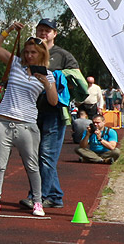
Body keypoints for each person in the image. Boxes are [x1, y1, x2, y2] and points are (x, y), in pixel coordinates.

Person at [0, 24, 58, 216]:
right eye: (26, 52)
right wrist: (9, 30)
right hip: (3, 122)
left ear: (41, 54)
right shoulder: (16, 64)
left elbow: (53, 101)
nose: (28, 56)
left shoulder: (48, 74)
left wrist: (46, 84)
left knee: (32, 166)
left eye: (33, 53)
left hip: (27, 125)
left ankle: (38, 202)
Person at [20, 17, 81, 210]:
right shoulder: (31, 53)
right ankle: (54, 196)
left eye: (47, 30)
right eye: (40, 30)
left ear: (55, 33)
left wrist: (55, 76)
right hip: (32, 110)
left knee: (47, 155)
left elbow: (77, 78)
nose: (43, 33)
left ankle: (38, 196)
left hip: (54, 112)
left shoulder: (62, 55)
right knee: (38, 155)